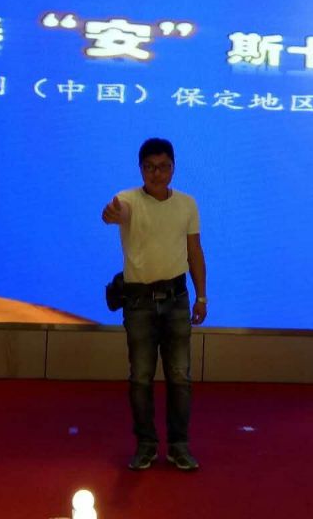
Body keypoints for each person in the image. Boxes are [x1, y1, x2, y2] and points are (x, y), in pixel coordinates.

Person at [102, 138, 207, 471]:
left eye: (163, 167)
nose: (156, 173)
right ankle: (146, 445)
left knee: (180, 377)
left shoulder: (187, 204)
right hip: (139, 303)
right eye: (149, 167)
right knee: (141, 377)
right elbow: (114, 214)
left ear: (173, 168)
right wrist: (110, 214)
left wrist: (202, 296)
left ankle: (179, 446)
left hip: (177, 300)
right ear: (140, 169)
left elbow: (194, 252)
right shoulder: (127, 200)